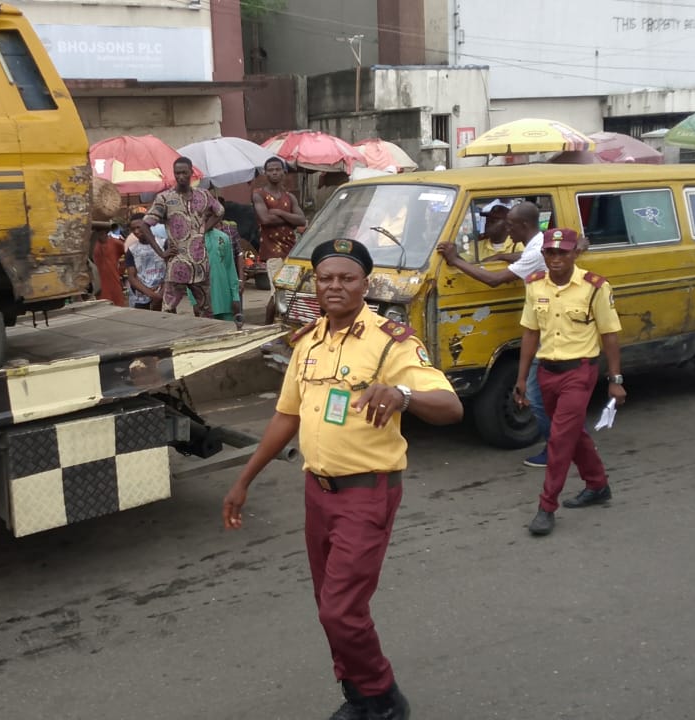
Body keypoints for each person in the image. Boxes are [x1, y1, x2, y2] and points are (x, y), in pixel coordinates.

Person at [221, 238, 462, 720]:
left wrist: (402, 395)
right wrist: (243, 480)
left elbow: (451, 406)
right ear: (316, 283)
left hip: (366, 493)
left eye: (346, 278)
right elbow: (285, 417)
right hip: (318, 493)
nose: (335, 286)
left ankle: (385, 698)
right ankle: (359, 696)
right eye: (326, 277)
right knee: (328, 605)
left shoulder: (390, 341)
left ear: (364, 284)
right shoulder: (307, 341)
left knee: (340, 610)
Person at [513, 229, 626, 537]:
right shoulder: (535, 285)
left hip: (580, 372)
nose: (556, 259)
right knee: (572, 433)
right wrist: (522, 378)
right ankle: (597, 485)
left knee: (560, 439)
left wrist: (615, 380)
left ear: (576, 253)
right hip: (546, 372)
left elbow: (610, 334)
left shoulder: (595, 288)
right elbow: (530, 333)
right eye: (551, 252)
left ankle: (546, 507)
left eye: (563, 253)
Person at [437, 201, 552, 467]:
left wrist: (455, 261)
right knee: (544, 390)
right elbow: (524, 259)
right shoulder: (538, 244)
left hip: (547, 324)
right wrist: (503, 257)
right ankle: (562, 445)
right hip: (541, 321)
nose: (507, 231)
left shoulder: (536, 252)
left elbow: (494, 280)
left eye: (511, 225)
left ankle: (555, 448)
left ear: (523, 226)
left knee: (535, 394)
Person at [145, 157, 223, 317]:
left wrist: (203, 229)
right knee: (168, 309)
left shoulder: (204, 195)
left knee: (206, 310)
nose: (180, 176)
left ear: (191, 173)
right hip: (177, 264)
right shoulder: (165, 198)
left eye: (184, 173)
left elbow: (220, 212)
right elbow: (144, 225)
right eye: (177, 173)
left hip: (200, 263)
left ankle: (205, 338)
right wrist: (161, 253)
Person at [254, 156, 307, 323]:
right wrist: (290, 219)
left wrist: (280, 213)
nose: (274, 172)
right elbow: (265, 219)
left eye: (278, 169)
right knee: (277, 292)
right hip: (272, 252)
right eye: (271, 170)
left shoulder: (289, 197)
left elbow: (302, 220)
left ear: (284, 172)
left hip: (291, 251)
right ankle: (267, 329)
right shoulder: (258, 194)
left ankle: (282, 327)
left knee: (290, 292)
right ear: (265, 173)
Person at [201, 223, 244, 327]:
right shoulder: (193, 240)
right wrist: (194, 301)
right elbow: (190, 273)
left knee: (228, 335)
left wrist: (235, 297)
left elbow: (230, 268)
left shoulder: (223, 237)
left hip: (225, 300)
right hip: (203, 301)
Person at [125, 213, 166, 311]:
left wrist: (161, 294)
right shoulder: (132, 250)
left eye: (139, 227)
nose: (136, 231)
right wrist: (152, 295)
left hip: (164, 294)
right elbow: (132, 277)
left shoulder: (163, 244)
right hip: (142, 297)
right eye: (133, 229)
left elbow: (171, 270)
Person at [92, 221, 128, 307]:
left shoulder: (115, 243)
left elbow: (129, 254)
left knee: (118, 307)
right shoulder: (92, 245)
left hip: (114, 282)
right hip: (99, 284)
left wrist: (122, 269)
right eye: (98, 231)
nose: (101, 234)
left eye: (103, 231)